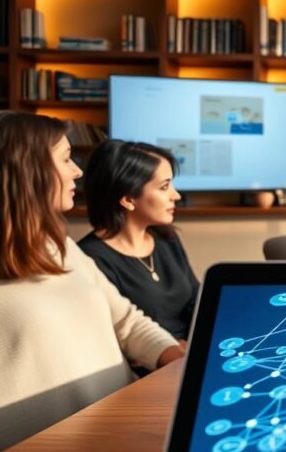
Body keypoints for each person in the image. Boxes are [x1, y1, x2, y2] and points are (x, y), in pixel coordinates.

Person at [0, 111, 183, 452]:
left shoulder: (58, 246)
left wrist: (175, 356)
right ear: (25, 169)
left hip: (122, 427)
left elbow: (125, 320)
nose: (78, 171)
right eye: (66, 159)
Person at [78, 140, 200, 340]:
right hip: (152, 364)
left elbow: (195, 299)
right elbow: (116, 336)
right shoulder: (90, 258)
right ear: (127, 199)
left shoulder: (166, 237)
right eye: (164, 187)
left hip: (188, 351)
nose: (175, 195)